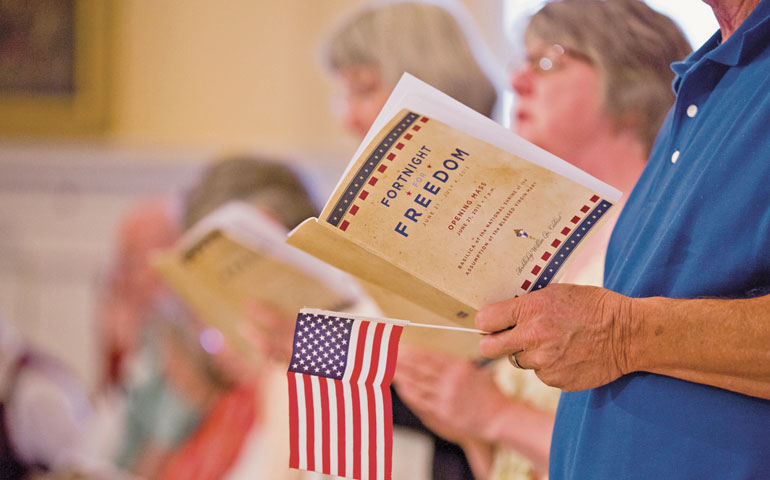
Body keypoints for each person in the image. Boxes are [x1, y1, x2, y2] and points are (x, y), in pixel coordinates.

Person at [393, 1, 692, 478]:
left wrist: (496, 415)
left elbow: (655, 452)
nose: (517, 82)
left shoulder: (670, 237)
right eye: (521, 62)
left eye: (548, 61)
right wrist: (464, 417)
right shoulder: (546, 241)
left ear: (633, 81)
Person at [474, 0, 770, 478]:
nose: (516, 82)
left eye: (548, 61)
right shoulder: (705, 85)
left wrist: (623, 335)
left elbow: (613, 336)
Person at [323, 1, 501, 478]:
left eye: (362, 90)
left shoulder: (487, 208)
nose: (348, 119)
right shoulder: (382, 208)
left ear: (428, 84)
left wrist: (321, 344)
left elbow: (465, 387)